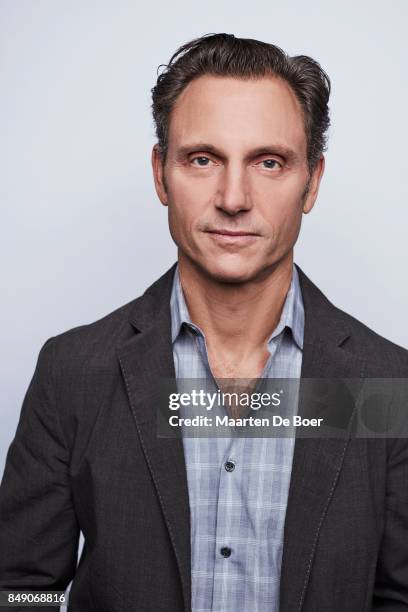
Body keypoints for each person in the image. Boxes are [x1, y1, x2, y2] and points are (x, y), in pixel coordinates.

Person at [0, 33, 407, 612]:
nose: (234, 197)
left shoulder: (388, 381)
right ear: (161, 174)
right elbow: (21, 589)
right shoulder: (74, 371)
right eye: (202, 159)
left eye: (269, 162)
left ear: (311, 181)